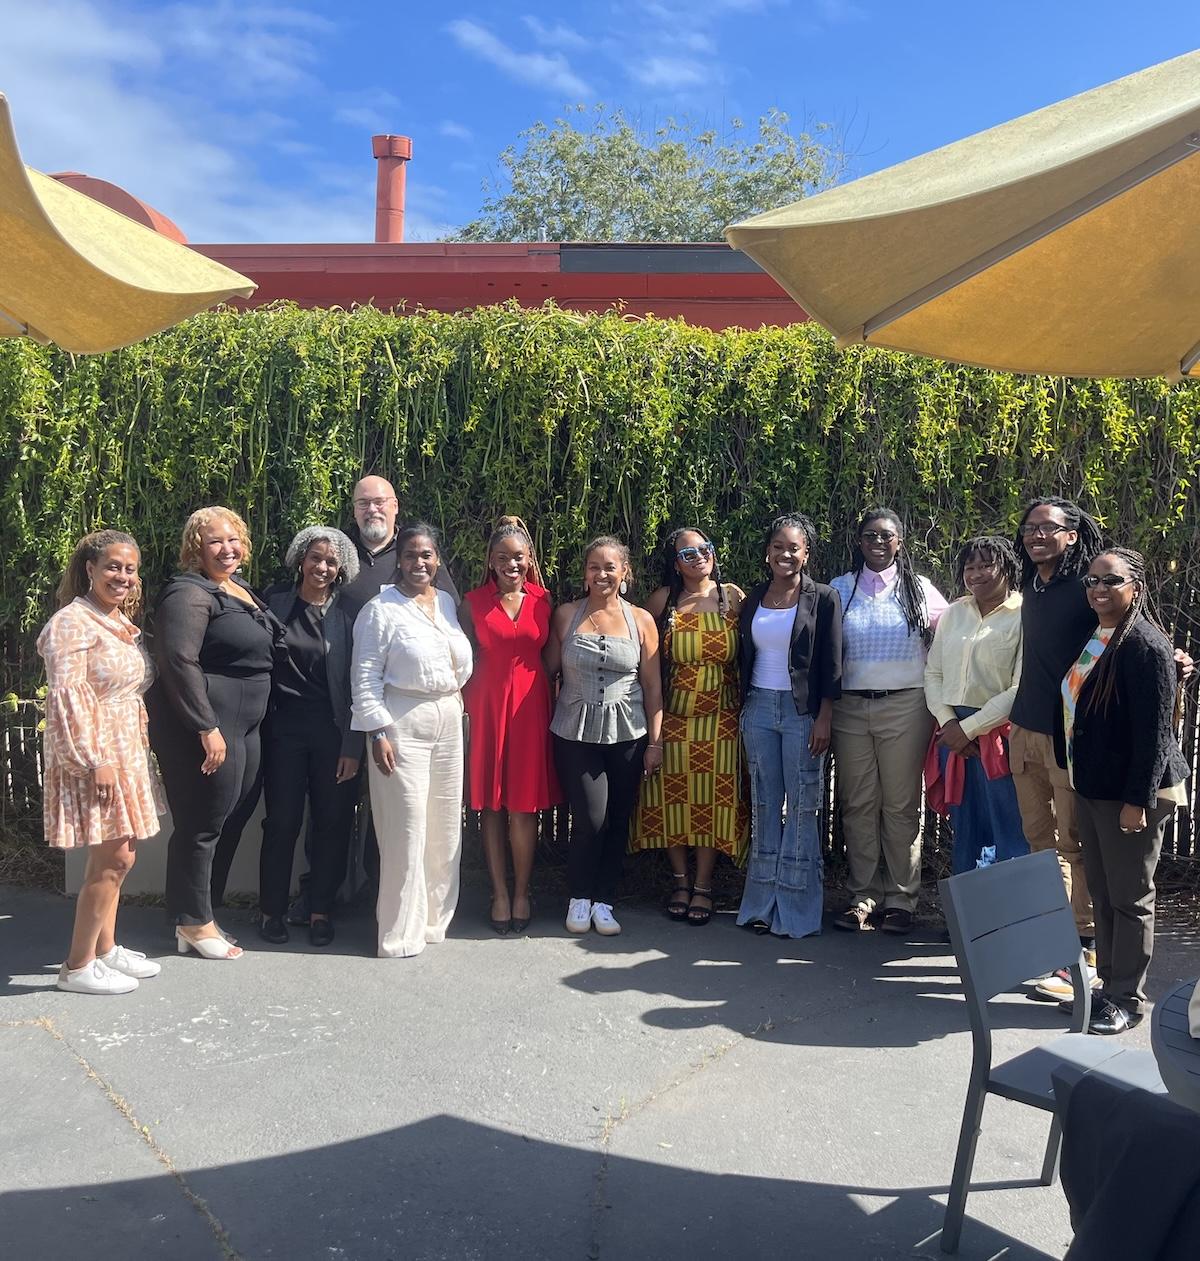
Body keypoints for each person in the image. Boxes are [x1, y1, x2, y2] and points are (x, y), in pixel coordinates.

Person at [1053, 548, 1189, 1035]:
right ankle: (1108, 986)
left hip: (1132, 793)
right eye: (1091, 581)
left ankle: (1127, 1001)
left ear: (1136, 587)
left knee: (1130, 898)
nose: (1098, 590)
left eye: (1111, 581)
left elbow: (1153, 736)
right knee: (1107, 892)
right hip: (1094, 786)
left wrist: (1138, 801)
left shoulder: (1145, 647)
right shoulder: (1100, 637)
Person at [147, 507, 281, 960]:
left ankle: (204, 913)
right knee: (203, 823)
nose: (228, 549)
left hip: (248, 722)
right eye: (215, 542)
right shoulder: (186, 593)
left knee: (232, 817)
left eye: (234, 540)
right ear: (195, 550)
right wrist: (206, 727)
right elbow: (177, 661)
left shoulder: (237, 589)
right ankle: (192, 922)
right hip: (212, 722)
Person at [39, 531, 166, 994]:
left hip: (124, 750)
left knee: (119, 854)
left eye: (130, 569)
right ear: (89, 569)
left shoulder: (113, 621)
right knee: (114, 857)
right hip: (97, 754)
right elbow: (68, 699)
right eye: (113, 566)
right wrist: (95, 761)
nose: (123, 576)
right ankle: (76, 966)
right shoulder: (72, 624)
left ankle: (105, 949)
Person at [351, 523, 473, 958]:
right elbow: (364, 678)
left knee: (442, 826)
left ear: (438, 560)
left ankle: (433, 920)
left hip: (447, 717)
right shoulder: (380, 609)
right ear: (398, 561)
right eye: (409, 556)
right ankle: (399, 933)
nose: (418, 563)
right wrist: (378, 730)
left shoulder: (445, 603)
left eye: (426, 555)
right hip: (401, 722)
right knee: (404, 830)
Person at [829, 507, 949, 934]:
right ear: (858, 542)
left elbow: (955, 632)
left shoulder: (919, 589)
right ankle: (863, 894)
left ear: (900, 541)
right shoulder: (839, 590)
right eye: (869, 536)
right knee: (858, 803)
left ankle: (901, 898)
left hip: (906, 705)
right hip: (848, 708)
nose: (877, 543)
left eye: (886, 536)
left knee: (899, 805)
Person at [546, 536, 664, 937]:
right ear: (585, 573)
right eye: (594, 566)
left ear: (624, 572)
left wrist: (655, 742)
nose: (602, 574)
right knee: (590, 819)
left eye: (610, 567)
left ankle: (604, 900)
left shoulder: (641, 621)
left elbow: (652, 686)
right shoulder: (566, 615)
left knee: (618, 820)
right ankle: (579, 896)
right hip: (574, 732)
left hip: (628, 733)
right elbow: (543, 668)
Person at [633, 527, 748, 927]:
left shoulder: (731, 597)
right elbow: (648, 668)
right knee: (673, 802)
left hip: (722, 720)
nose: (698, 557)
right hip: (676, 720)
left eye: (704, 549)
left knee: (714, 804)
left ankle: (703, 885)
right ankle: (680, 881)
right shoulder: (663, 602)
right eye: (687, 553)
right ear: (675, 562)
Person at [1008, 497, 1104, 964]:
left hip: (1067, 734)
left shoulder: (1088, 588)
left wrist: (1176, 662)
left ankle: (1083, 943)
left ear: (1072, 534)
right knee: (1038, 843)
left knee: (1074, 842)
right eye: (1029, 529)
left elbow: (1121, 638)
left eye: (1048, 528)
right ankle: (1052, 938)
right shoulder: (1033, 585)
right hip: (1024, 730)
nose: (1036, 536)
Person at [735, 515, 842, 938]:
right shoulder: (754, 597)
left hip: (803, 715)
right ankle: (761, 905)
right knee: (763, 805)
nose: (785, 554)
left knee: (802, 809)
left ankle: (796, 912)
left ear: (806, 554)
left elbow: (833, 664)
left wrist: (824, 717)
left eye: (793, 547)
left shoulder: (825, 598)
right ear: (768, 552)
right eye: (778, 546)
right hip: (759, 709)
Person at [257, 527, 363, 948]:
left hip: (333, 732)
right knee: (281, 822)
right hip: (283, 730)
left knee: (333, 822)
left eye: (331, 562)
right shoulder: (274, 601)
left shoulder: (351, 614)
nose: (322, 567)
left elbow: (361, 683)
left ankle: (321, 909)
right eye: (315, 558)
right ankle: (271, 911)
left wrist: (353, 746)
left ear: (341, 569)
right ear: (300, 558)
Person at [459, 517, 560, 935]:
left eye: (518, 557)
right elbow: (462, 657)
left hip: (530, 707)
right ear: (491, 561)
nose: (511, 565)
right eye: (502, 558)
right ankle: (499, 893)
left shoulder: (543, 600)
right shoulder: (473, 601)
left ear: (529, 558)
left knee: (523, 805)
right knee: (491, 806)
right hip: (486, 706)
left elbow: (553, 656)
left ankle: (523, 891)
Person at [924, 536, 1028, 874]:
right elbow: (933, 673)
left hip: (998, 736)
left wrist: (969, 729)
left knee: (1008, 824)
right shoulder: (954, 614)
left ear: (1007, 568)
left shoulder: (1024, 614)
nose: (977, 573)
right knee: (965, 825)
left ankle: (1010, 920)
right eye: (970, 567)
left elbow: (1020, 687)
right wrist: (949, 723)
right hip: (952, 732)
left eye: (986, 565)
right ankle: (969, 921)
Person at [342, 475, 459, 617]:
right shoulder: (339, 550)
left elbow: (449, 608)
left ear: (395, 506)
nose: (372, 509)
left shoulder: (416, 550)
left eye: (379, 502)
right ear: (354, 509)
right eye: (363, 503)